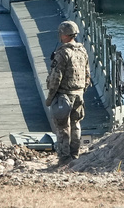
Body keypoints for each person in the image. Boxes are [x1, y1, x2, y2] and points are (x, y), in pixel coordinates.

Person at [46, 20, 90, 163]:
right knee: (76, 124)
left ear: (64, 35)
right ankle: (74, 155)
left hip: (64, 95)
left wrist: (50, 97)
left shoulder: (63, 53)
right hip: (79, 94)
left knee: (63, 127)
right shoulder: (82, 51)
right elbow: (87, 75)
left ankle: (64, 158)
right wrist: (82, 91)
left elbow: (56, 77)